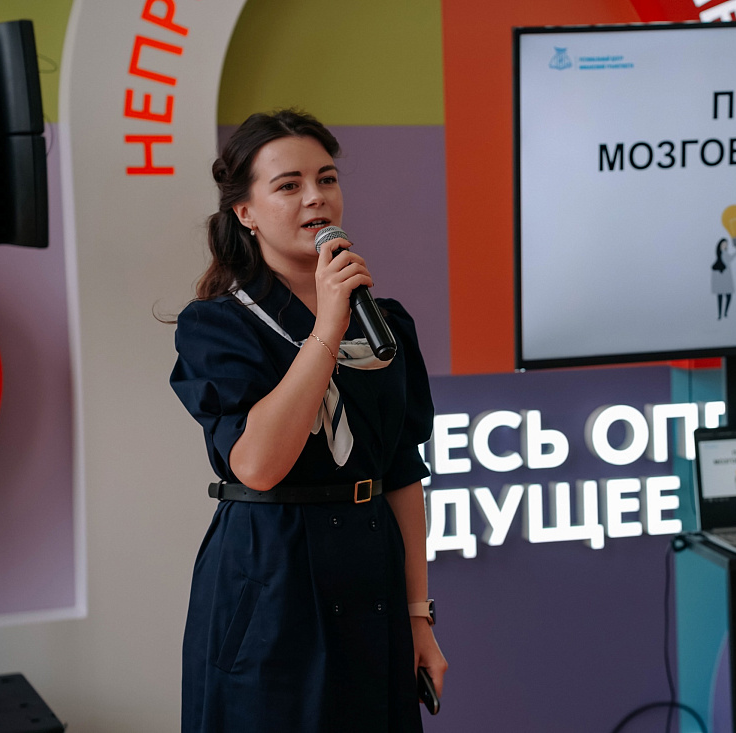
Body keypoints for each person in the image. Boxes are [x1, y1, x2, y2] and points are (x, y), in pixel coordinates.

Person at [169, 109, 447, 732]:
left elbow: (401, 472)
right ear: (246, 211)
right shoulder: (217, 324)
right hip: (273, 577)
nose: (316, 196)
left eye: (326, 178)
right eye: (289, 185)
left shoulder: (385, 322)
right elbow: (258, 464)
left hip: (372, 574)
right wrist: (326, 328)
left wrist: (418, 617)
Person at [711, 237, 736, 319]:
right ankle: (720, 313)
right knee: (720, 296)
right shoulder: (721, 254)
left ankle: (725, 312)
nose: (725, 245)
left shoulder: (725, 254)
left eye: (726, 244)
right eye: (724, 244)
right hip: (721, 278)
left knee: (728, 295)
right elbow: (730, 258)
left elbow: (730, 259)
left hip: (726, 277)